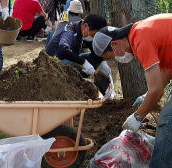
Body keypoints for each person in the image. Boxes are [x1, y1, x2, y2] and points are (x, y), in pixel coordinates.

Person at [92, 14, 172, 167]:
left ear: (115, 44)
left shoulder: (141, 39)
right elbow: (168, 70)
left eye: (111, 56)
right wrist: (148, 95)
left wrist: (137, 116)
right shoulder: (140, 31)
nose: (116, 59)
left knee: (168, 121)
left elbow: (157, 90)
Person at [45, 14, 108, 79]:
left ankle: (79, 80)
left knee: (95, 58)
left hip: (66, 59)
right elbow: (62, 50)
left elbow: (94, 51)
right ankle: (72, 82)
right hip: (53, 63)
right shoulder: (70, 30)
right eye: (94, 34)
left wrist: (102, 61)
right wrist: (84, 63)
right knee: (82, 63)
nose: (94, 37)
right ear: (86, 26)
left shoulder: (83, 29)